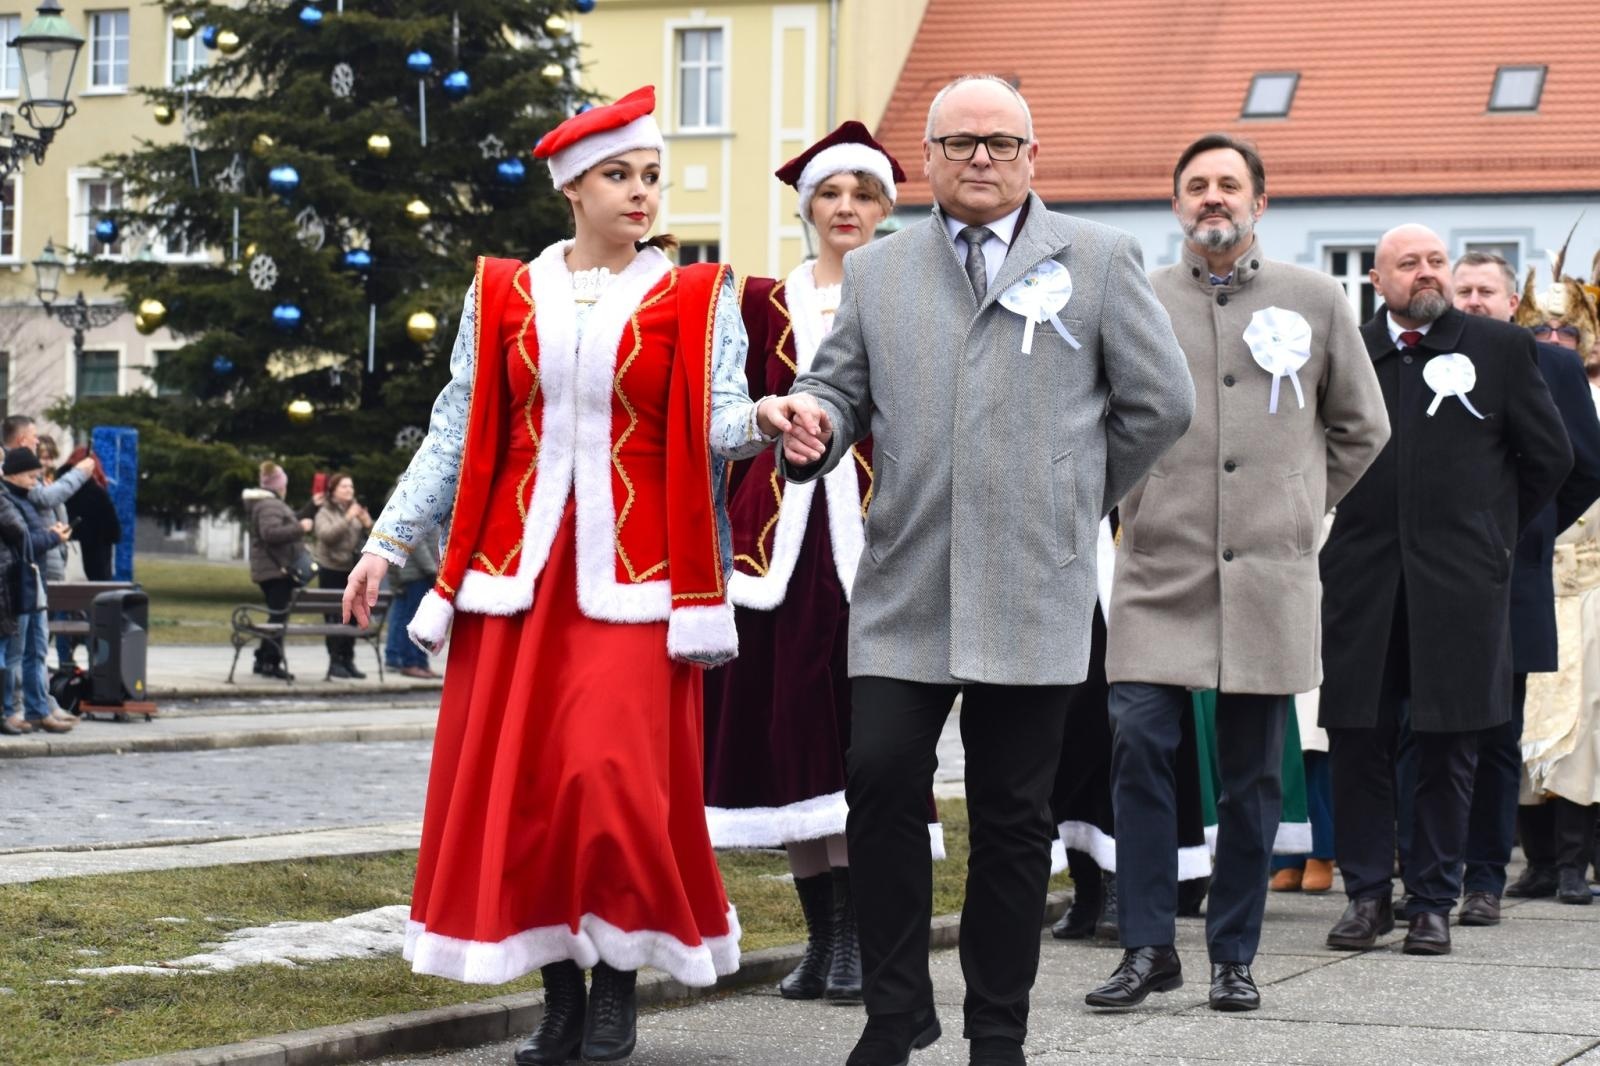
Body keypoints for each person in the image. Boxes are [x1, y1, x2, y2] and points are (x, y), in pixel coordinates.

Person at [341, 86, 805, 1065]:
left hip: (639, 583)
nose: (641, 193)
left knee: (613, 782)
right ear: (572, 189)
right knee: (533, 794)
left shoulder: (696, 297)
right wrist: (386, 543)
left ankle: (619, 980)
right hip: (517, 580)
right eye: (618, 175)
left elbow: (719, 417)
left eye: (651, 176)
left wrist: (762, 418)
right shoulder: (502, 294)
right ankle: (560, 992)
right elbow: (456, 428)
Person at [775, 75, 1194, 1066]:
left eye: (1000, 143)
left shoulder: (1098, 260)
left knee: (1013, 818)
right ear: (927, 159)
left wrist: (1072, 495)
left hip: (1033, 583)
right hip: (906, 580)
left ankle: (996, 1029)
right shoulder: (880, 270)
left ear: (1032, 157)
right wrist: (816, 421)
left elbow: (1161, 404)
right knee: (880, 781)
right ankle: (895, 1012)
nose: (980, 159)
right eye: (959, 143)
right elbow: (839, 386)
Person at [1089, 134, 1389, 1013]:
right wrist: (1130, 501)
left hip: (1268, 574)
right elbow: (1098, 418)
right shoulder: (1138, 299)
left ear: (1261, 200)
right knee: (1139, 748)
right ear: (1176, 204)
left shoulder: (1317, 297)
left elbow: (1362, 427)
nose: (1212, 197)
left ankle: (1234, 954)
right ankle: (1149, 946)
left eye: (1229, 184)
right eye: (1197, 185)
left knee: (1253, 775)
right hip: (1158, 569)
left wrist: (1299, 504)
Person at [702, 121, 928, 1006]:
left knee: (867, 751)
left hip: (879, 551)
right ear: (807, 209)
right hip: (778, 558)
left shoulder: (911, 296)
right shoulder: (761, 301)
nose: (846, 208)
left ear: (884, 209)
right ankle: (825, 940)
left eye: (863, 195)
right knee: (789, 745)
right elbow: (727, 411)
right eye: (830, 194)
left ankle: (866, 940)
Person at [1320, 225, 1572, 957]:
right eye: (1409, 264)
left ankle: (1432, 900)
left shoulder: (1501, 349)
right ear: (1377, 281)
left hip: (1461, 586)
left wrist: (1493, 532)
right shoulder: (1348, 351)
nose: (1426, 273)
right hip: (1361, 582)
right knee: (1358, 740)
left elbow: (1550, 457)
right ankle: (1367, 897)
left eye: (1436, 261)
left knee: (1448, 745)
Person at [1452, 257, 1600, 916]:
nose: (1473, 300)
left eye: (1486, 291)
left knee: (1502, 732)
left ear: (1514, 303)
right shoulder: (1421, 359)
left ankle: (1487, 877)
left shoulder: (1555, 367)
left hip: (1521, 574)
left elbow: (1583, 466)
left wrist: (1526, 528)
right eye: (1463, 290)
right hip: (1431, 576)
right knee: (1419, 734)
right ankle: (1426, 874)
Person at [0, 448, 75, 734]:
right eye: (31, 476)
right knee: (15, 653)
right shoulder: (7, 499)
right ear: (15, 474)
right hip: (16, 584)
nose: (35, 482)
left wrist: (49, 536)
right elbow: (24, 540)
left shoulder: (22, 499)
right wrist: (52, 537)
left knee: (36, 649)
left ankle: (38, 709)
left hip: (30, 581)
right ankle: (11, 710)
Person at [243, 462, 306, 682]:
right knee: (278, 616)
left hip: (273, 568)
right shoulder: (270, 505)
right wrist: (301, 528)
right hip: (275, 569)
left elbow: (283, 523)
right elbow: (270, 533)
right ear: (280, 485)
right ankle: (271, 661)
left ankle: (263, 658)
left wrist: (308, 510)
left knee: (276, 614)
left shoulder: (268, 504)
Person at [311, 473, 373, 679]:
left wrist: (367, 523)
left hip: (352, 570)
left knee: (353, 617)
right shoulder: (325, 511)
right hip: (331, 570)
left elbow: (374, 538)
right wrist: (347, 518)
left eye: (351, 486)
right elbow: (327, 536)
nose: (349, 490)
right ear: (333, 490)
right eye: (344, 486)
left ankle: (348, 660)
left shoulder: (356, 510)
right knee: (335, 617)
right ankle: (335, 661)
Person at [383, 489, 440, 680]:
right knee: (412, 619)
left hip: (422, 570)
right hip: (416, 572)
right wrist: (431, 570)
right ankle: (410, 662)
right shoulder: (415, 500)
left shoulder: (427, 501)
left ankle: (421, 662)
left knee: (423, 619)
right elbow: (416, 543)